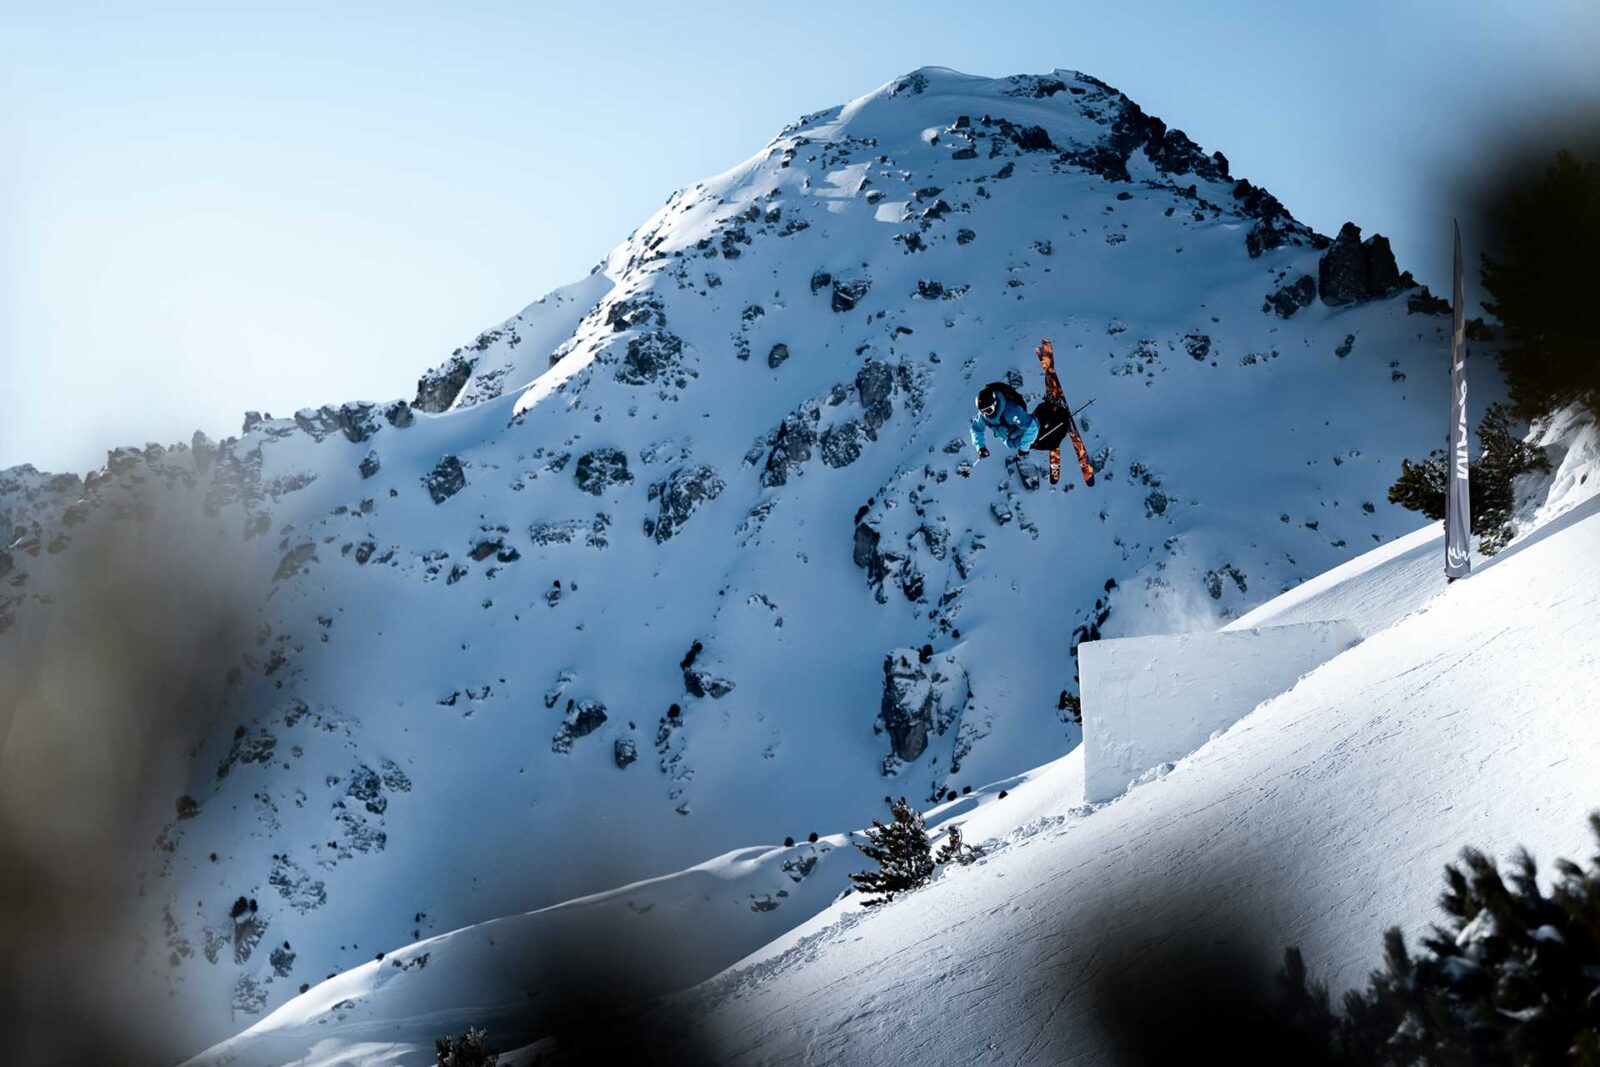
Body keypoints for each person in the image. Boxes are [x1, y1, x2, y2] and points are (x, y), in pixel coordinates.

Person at [970, 382, 1039, 461]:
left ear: (995, 404)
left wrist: (1024, 449)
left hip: (1024, 434)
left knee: (1038, 438)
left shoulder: (1010, 411)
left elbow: (1032, 428)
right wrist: (980, 447)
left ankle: (1050, 414)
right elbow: (976, 429)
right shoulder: (984, 416)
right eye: (982, 411)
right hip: (1011, 440)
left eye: (988, 410)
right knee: (1019, 443)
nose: (986, 414)